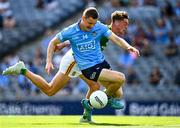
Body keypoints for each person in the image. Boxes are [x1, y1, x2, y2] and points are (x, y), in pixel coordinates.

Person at [2, 7, 139, 122]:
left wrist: (63, 44)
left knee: (104, 88)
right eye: (124, 24)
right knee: (50, 90)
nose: (126, 27)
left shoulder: (99, 28)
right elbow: (78, 35)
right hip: (74, 61)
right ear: (115, 23)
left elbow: (83, 37)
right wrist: (53, 55)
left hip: (89, 63)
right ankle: (23, 70)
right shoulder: (101, 29)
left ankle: (87, 115)